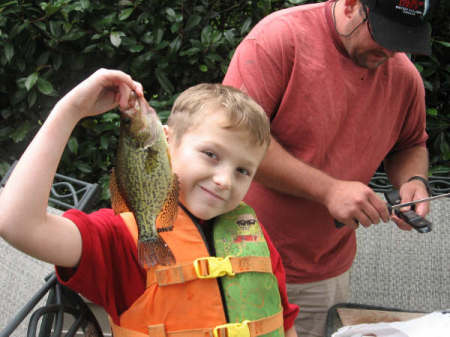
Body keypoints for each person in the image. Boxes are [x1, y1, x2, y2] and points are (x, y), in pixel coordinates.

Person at [0, 69, 299, 337]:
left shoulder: (251, 235)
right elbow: (19, 224)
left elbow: (283, 322)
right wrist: (71, 110)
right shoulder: (121, 240)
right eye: (210, 154)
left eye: (243, 171)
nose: (225, 180)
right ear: (165, 142)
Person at [223, 0, 437, 336]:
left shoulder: (404, 77)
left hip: (322, 271)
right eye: (382, 33)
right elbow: (236, 141)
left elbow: (410, 144)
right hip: (238, 256)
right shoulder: (279, 39)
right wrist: (329, 190)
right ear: (352, 5)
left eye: (401, 39)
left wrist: (412, 181)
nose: (390, 49)